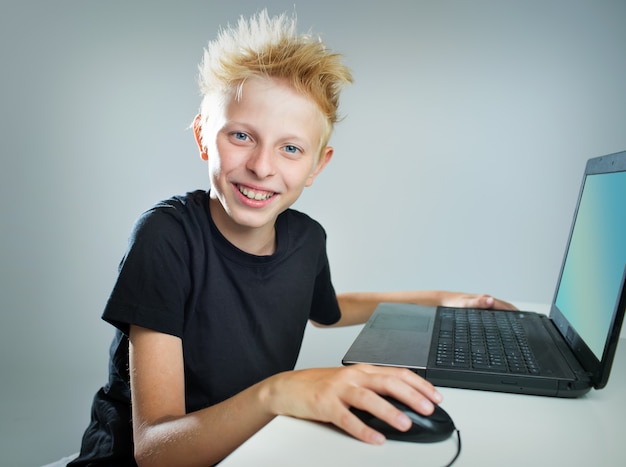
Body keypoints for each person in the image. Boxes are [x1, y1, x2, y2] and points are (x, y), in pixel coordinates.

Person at [69, 10, 515, 467]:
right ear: (203, 136)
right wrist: (279, 392)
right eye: (241, 136)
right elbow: (154, 449)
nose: (262, 166)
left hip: (245, 453)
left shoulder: (306, 240)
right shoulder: (165, 238)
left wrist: (442, 300)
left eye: (291, 148)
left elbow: (329, 310)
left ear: (317, 165)